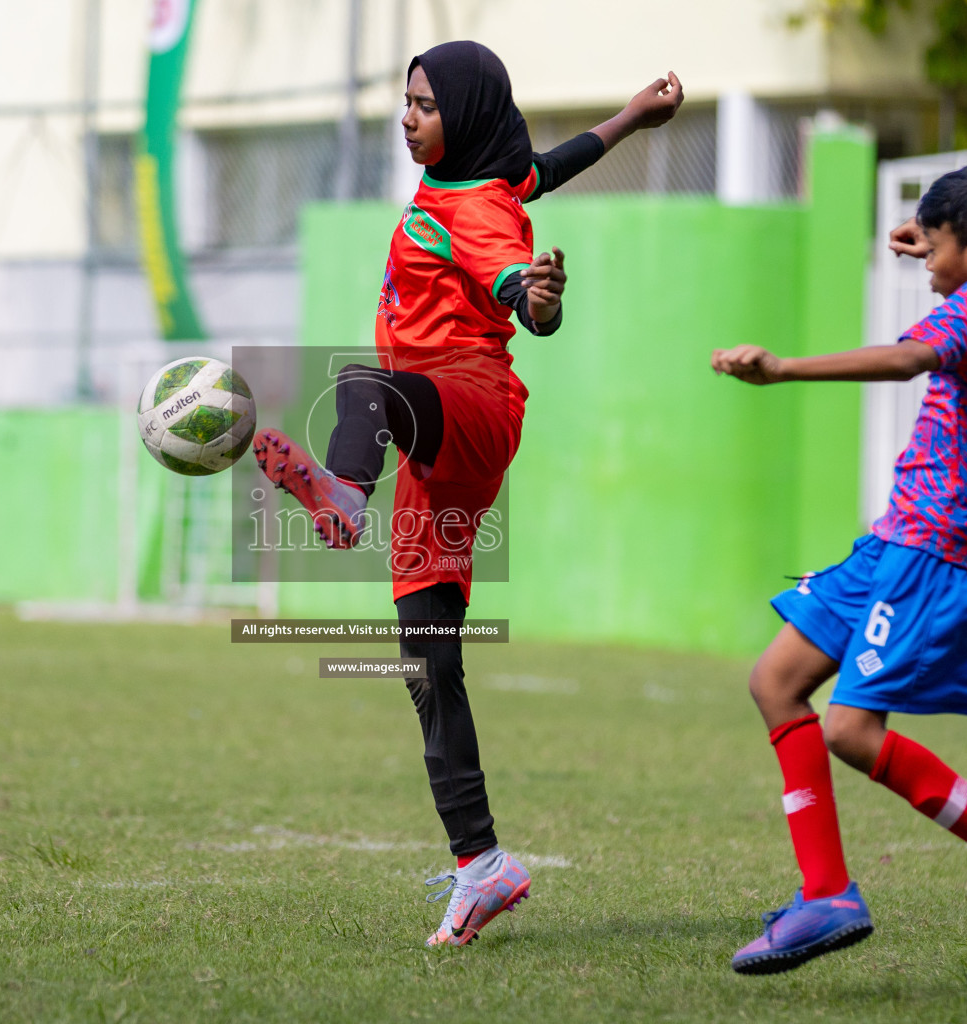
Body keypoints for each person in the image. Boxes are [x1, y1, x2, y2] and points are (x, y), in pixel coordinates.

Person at [253, 40, 683, 946]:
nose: (409, 117)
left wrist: (542, 301)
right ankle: (481, 865)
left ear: (467, 112)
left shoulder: (477, 205)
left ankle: (341, 496)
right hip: (429, 443)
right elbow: (546, 169)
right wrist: (633, 118)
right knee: (428, 663)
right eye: (406, 102)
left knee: (361, 389)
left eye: (425, 105)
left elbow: (517, 287)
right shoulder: (490, 176)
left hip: (467, 401)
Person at [711, 157, 967, 974]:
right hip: (900, 538)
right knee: (776, 682)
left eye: (936, 247)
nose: (924, 260)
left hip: (932, 544)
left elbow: (910, 358)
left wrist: (782, 371)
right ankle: (826, 895)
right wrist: (940, 247)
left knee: (849, 727)